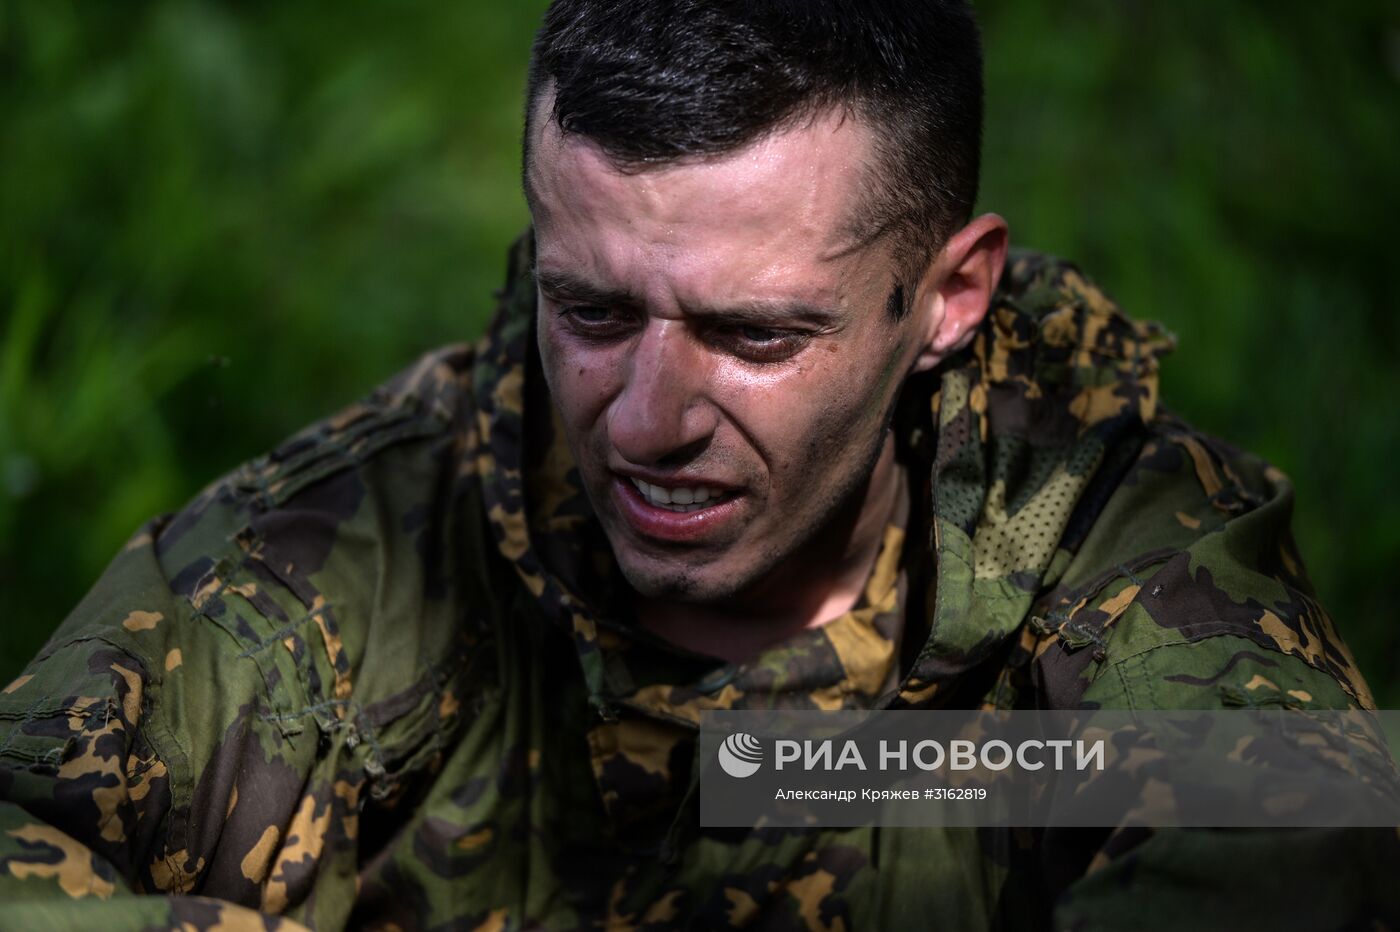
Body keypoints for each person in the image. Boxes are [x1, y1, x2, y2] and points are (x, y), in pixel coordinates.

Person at [0, 0, 1392, 929]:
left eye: (756, 333)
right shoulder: (349, 548)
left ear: (950, 294)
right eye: (592, 311)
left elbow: (1300, 829)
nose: (647, 419)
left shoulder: (1103, 528)